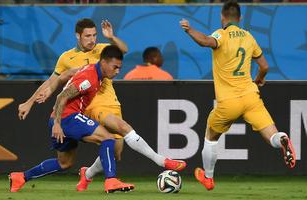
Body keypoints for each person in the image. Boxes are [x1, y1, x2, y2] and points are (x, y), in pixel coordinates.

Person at [18, 18, 186, 192]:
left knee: (115, 151)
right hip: (89, 106)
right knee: (117, 130)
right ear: (78, 36)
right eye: (87, 36)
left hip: (109, 102)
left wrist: (112, 37)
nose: (92, 39)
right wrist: (29, 102)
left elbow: (124, 50)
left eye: (95, 35)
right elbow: (53, 81)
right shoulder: (67, 58)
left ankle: (87, 174)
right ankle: (161, 161)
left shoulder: (103, 50)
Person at [180, 0, 296, 191]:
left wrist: (189, 29)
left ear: (222, 16)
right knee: (271, 135)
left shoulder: (221, 34)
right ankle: (282, 138)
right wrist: (258, 79)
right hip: (251, 96)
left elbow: (206, 41)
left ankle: (208, 178)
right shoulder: (249, 37)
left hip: (229, 101)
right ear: (240, 18)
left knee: (210, 134)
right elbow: (265, 66)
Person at [9, 45, 134, 193]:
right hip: (67, 118)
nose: (117, 71)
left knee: (64, 163)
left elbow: (64, 75)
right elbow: (62, 96)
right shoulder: (89, 78)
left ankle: (21, 177)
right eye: (115, 67)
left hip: (61, 119)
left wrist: (48, 91)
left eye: (119, 68)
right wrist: (57, 123)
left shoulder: (91, 70)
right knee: (107, 138)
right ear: (104, 62)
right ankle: (111, 180)